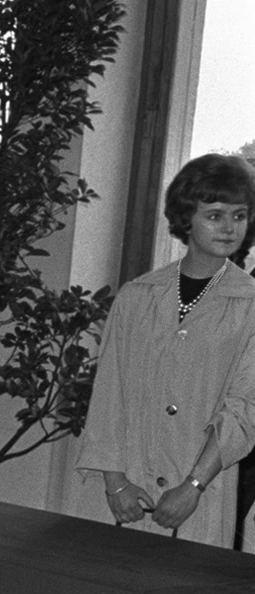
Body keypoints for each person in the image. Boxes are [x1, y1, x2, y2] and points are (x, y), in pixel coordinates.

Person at [78, 154, 255, 550]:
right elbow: (109, 393)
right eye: (215, 215)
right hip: (128, 491)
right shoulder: (138, 296)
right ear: (186, 217)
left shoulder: (250, 304)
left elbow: (246, 408)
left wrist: (193, 486)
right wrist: (115, 482)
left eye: (239, 216)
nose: (229, 228)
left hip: (202, 494)